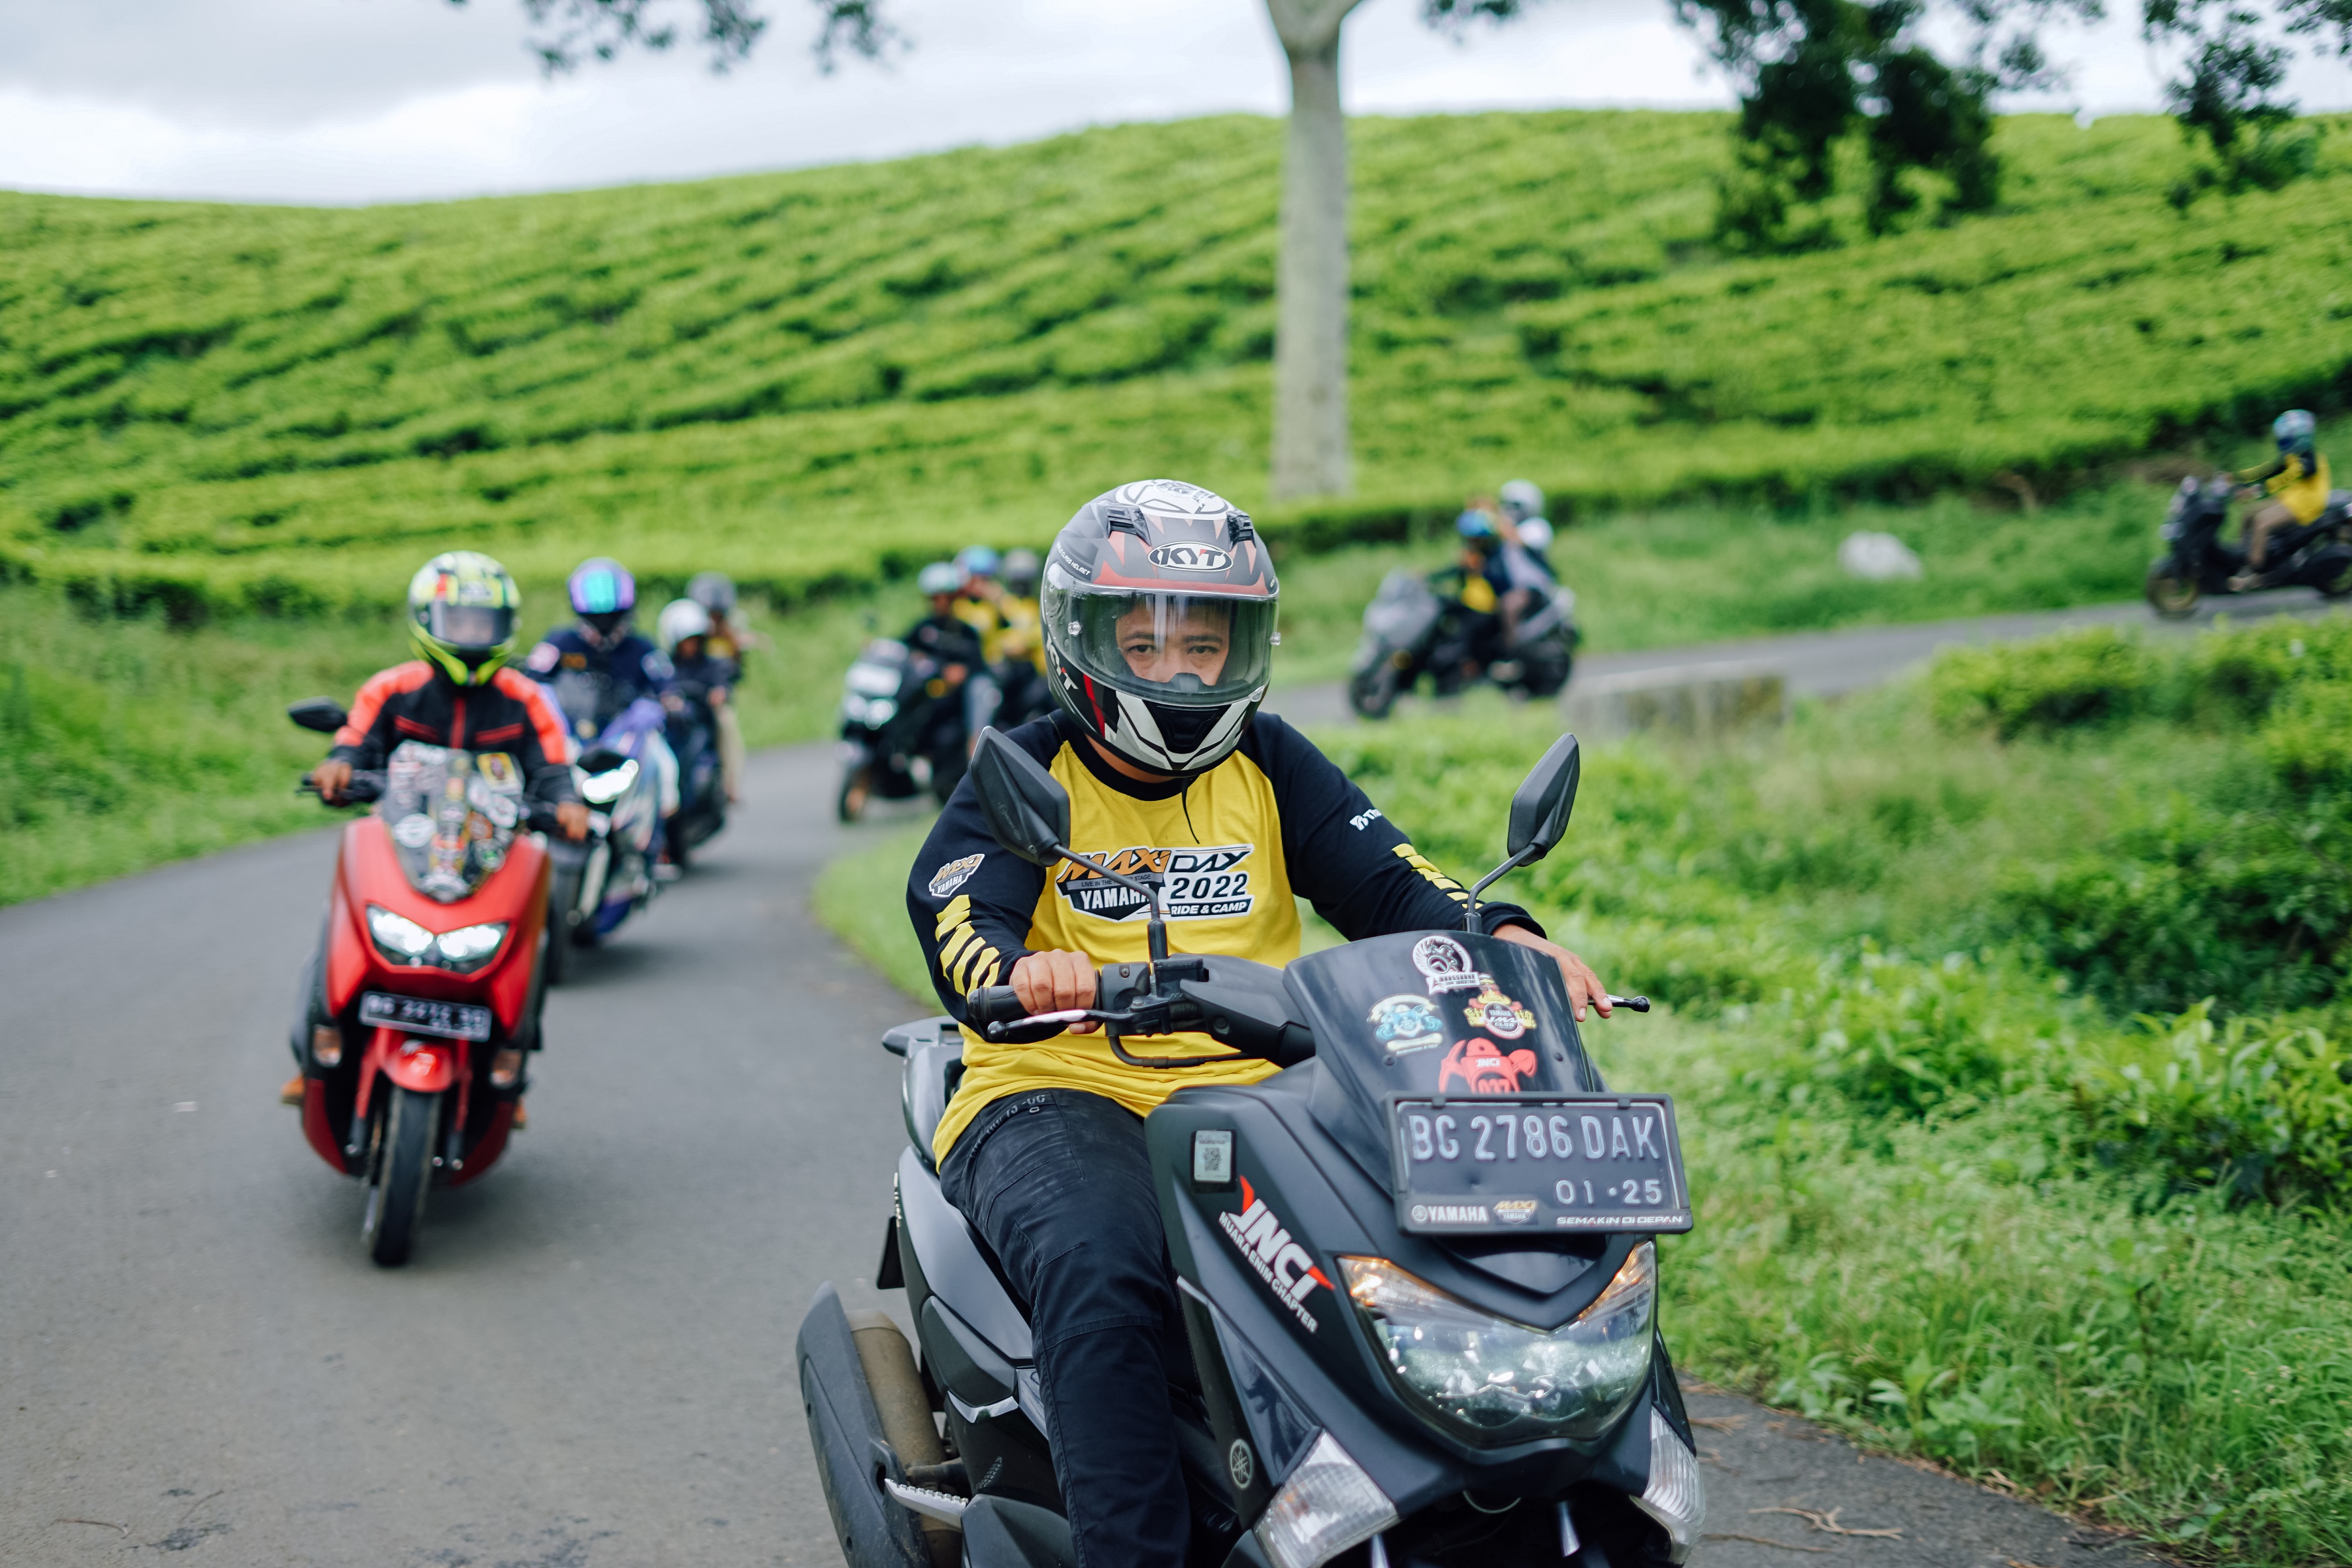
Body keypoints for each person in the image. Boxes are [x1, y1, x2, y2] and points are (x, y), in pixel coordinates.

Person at [904, 479, 1614, 1568]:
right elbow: (958, 905)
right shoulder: (1030, 768)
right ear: (1083, 639)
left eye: (1207, 643)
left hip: (1267, 1087)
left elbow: (1393, 881)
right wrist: (1015, 969)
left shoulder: (1271, 760)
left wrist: (1502, 932)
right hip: (1061, 1091)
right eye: (1145, 644)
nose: (1183, 671)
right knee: (1104, 1273)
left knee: (1420, 1246)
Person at [285, 551, 587, 1111]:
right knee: (338, 929)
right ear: (426, 620)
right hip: (406, 847)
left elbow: (552, 769)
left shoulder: (526, 699)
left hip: (489, 856)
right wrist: (339, 767)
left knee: (532, 945)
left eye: (484, 625)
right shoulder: (392, 688)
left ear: (506, 629)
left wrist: (568, 804)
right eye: (461, 623)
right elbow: (355, 742)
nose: (473, 637)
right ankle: (314, 1052)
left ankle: (510, 1066)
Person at [2232, 410, 2334, 590]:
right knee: (2248, 514)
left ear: (2300, 438)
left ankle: (2252, 570)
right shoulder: (2293, 457)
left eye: (2285, 440)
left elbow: (2283, 480)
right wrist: (2236, 478)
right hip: (2290, 500)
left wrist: (2254, 492)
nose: (2281, 443)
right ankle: (2243, 554)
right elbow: (2267, 471)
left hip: (2305, 506)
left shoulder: (2308, 462)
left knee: (2262, 523)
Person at [905, 560, 987, 757]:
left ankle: (975, 749)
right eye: (935, 598)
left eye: (945, 598)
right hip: (927, 693)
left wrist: (963, 671)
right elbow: (904, 649)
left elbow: (978, 664)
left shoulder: (966, 631)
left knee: (981, 688)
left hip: (957, 696)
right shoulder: (923, 628)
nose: (940, 603)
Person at [687, 572, 751, 803]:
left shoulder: (730, 635)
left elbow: (733, 671)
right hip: (689, 691)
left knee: (726, 725)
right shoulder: (690, 629)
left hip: (715, 696)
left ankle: (730, 783)